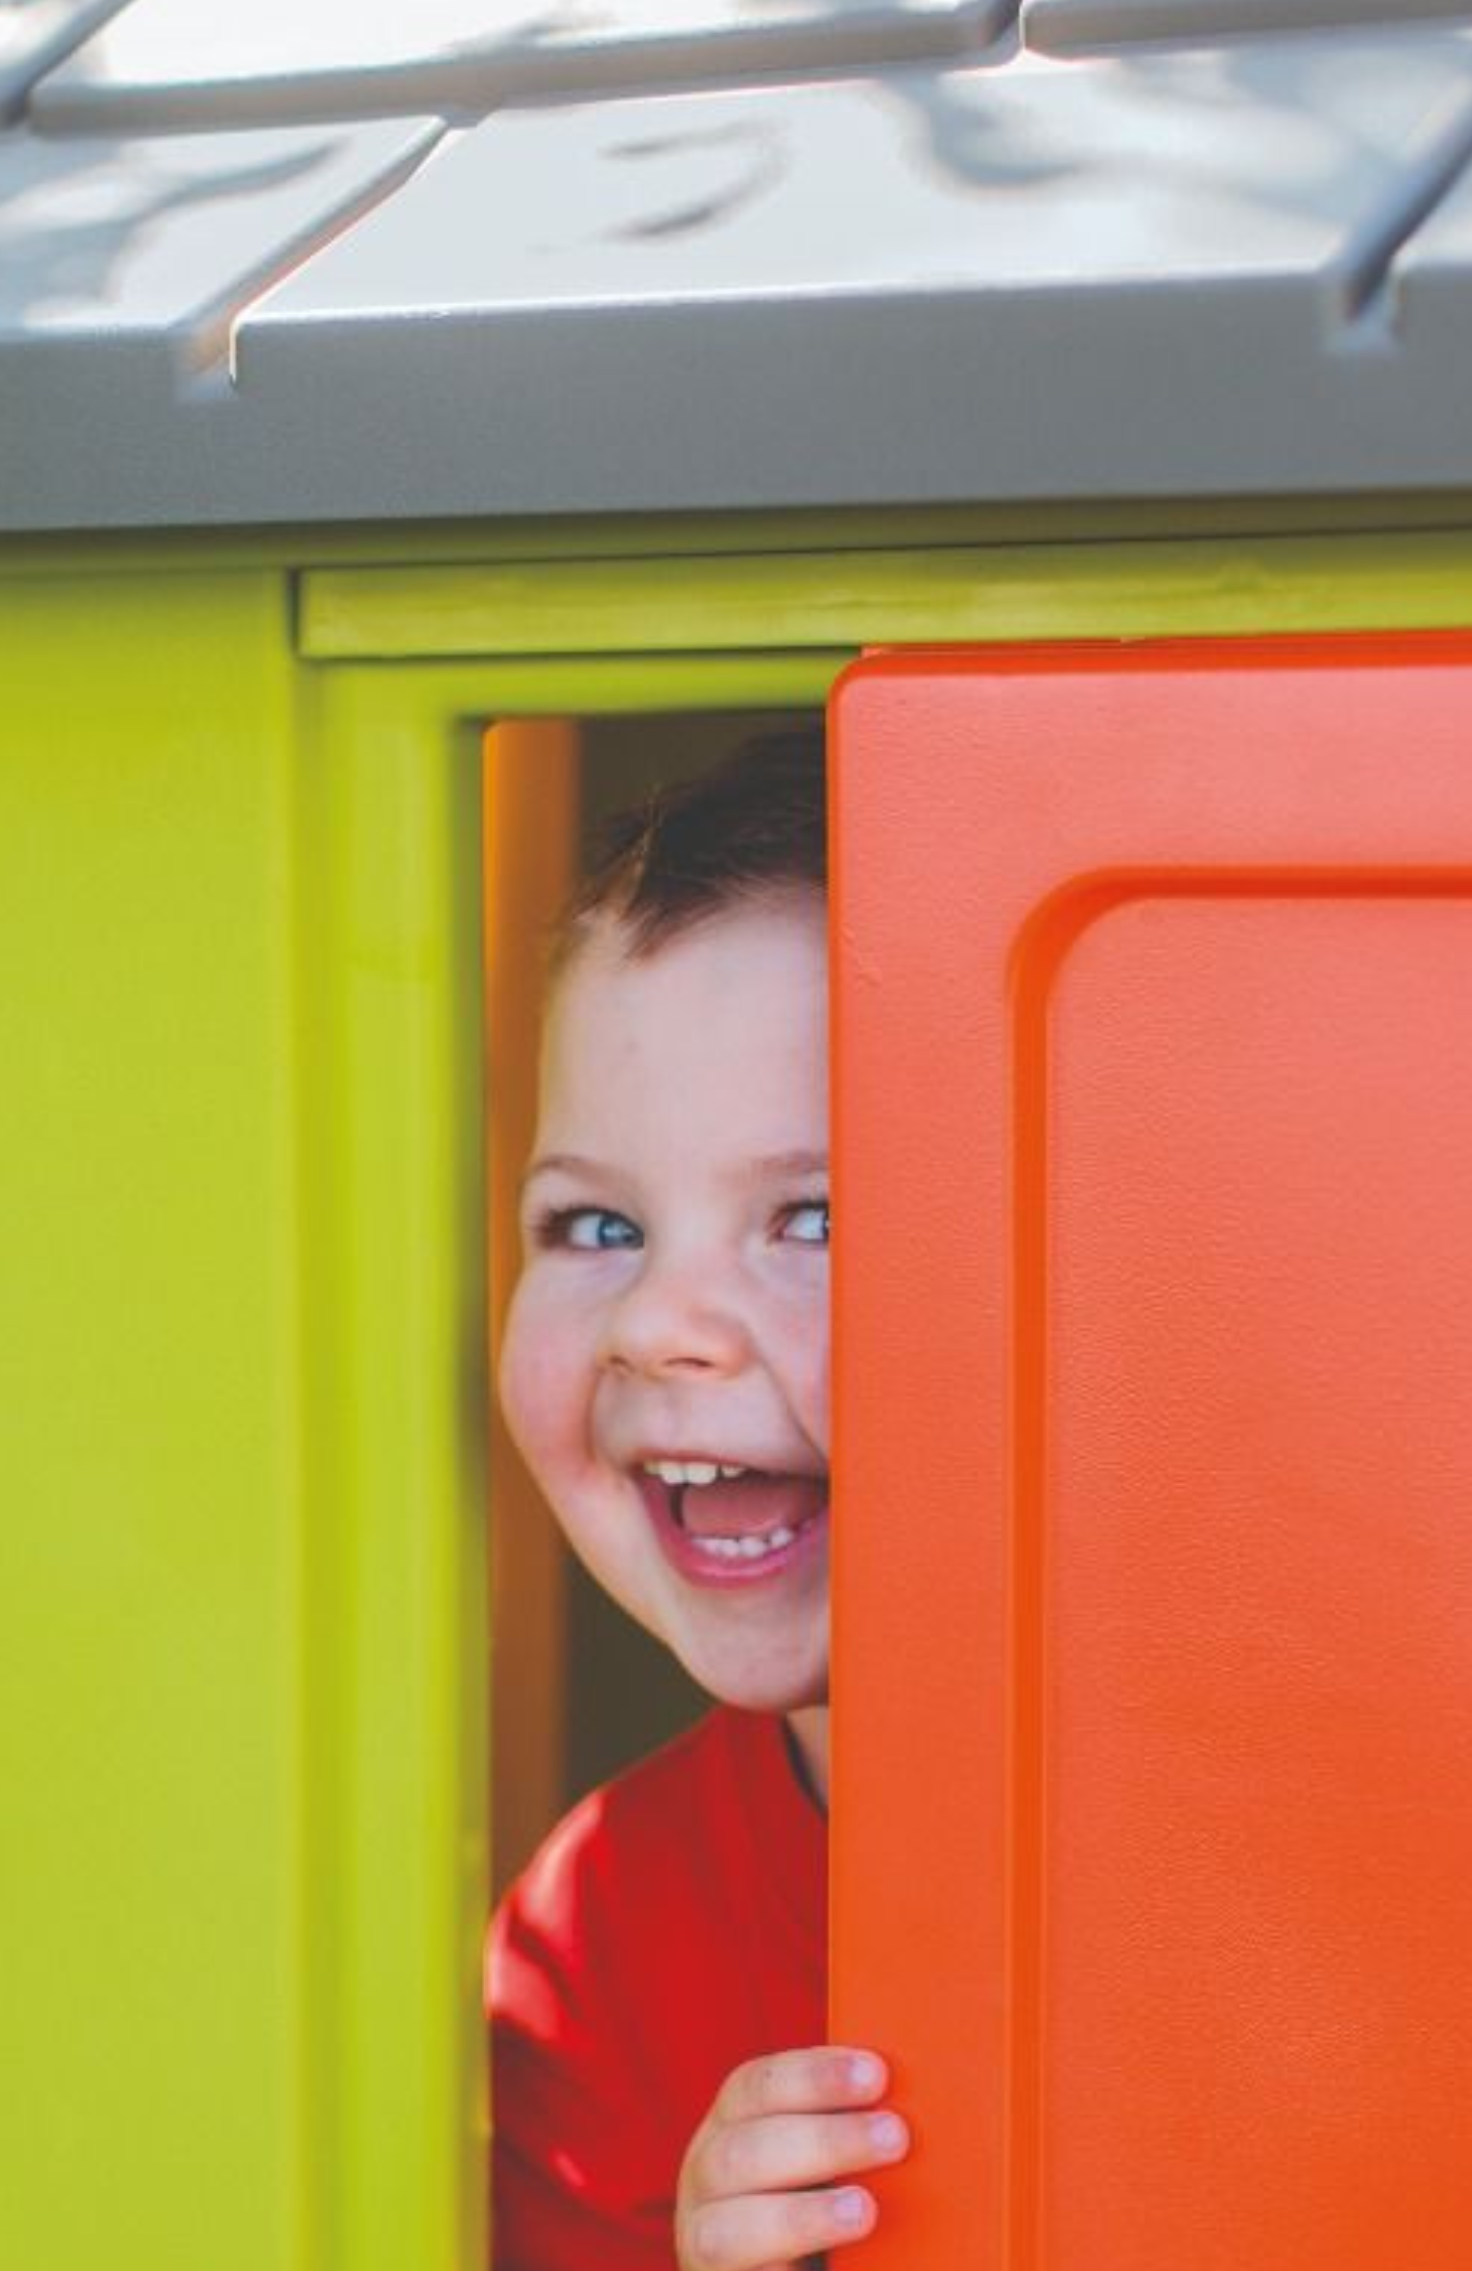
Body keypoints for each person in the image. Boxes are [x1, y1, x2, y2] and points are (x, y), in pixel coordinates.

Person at [489, 726, 910, 2271]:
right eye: (596, 1227)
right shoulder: (595, 1937)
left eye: (812, 1216)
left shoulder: (1292, 1823)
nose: (660, 1323)